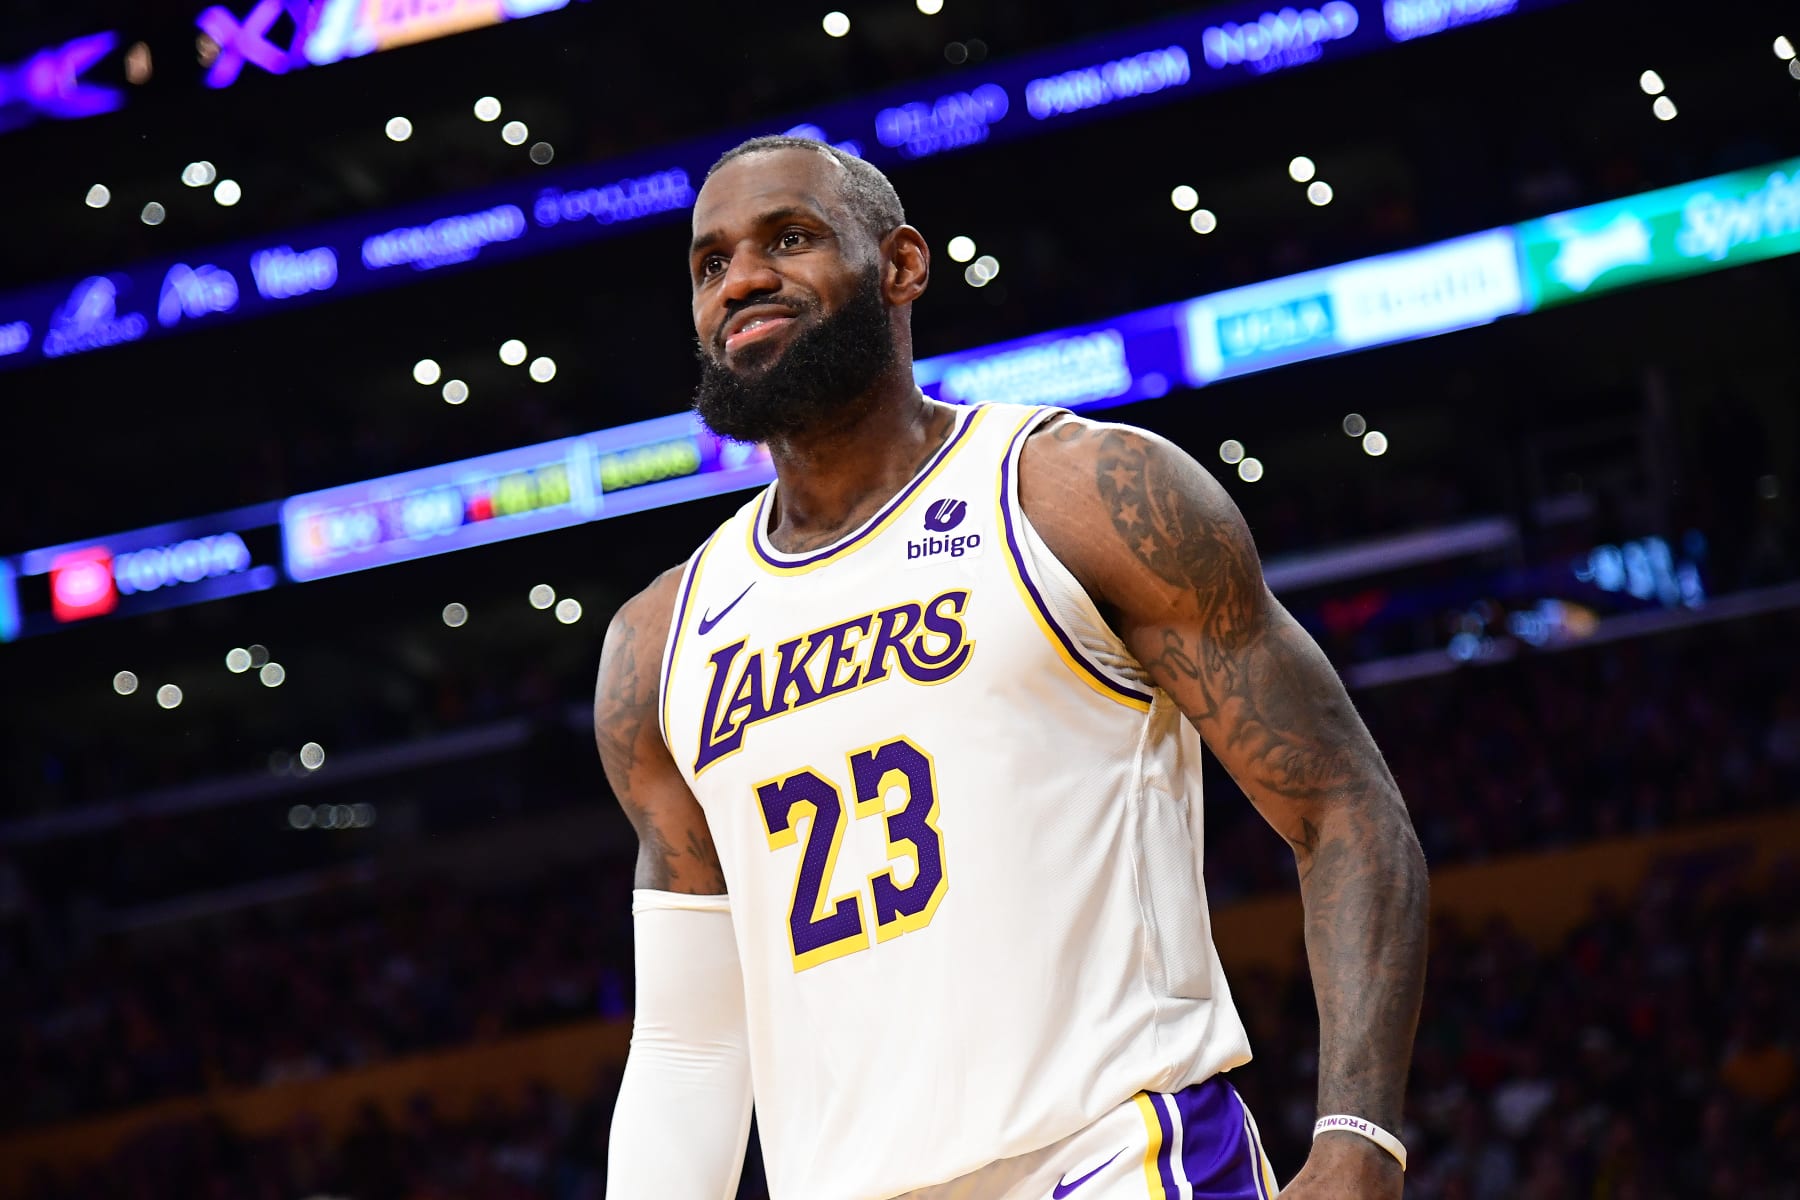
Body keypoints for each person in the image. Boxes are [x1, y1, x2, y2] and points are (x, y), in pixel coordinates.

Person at [594, 135, 1429, 1200]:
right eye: (711, 264)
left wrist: (1361, 1134)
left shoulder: (1077, 497)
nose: (743, 278)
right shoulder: (662, 641)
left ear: (901, 265)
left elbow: (1344, 804)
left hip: (1113, 1158)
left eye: (789, 239)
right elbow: (690, 1045)